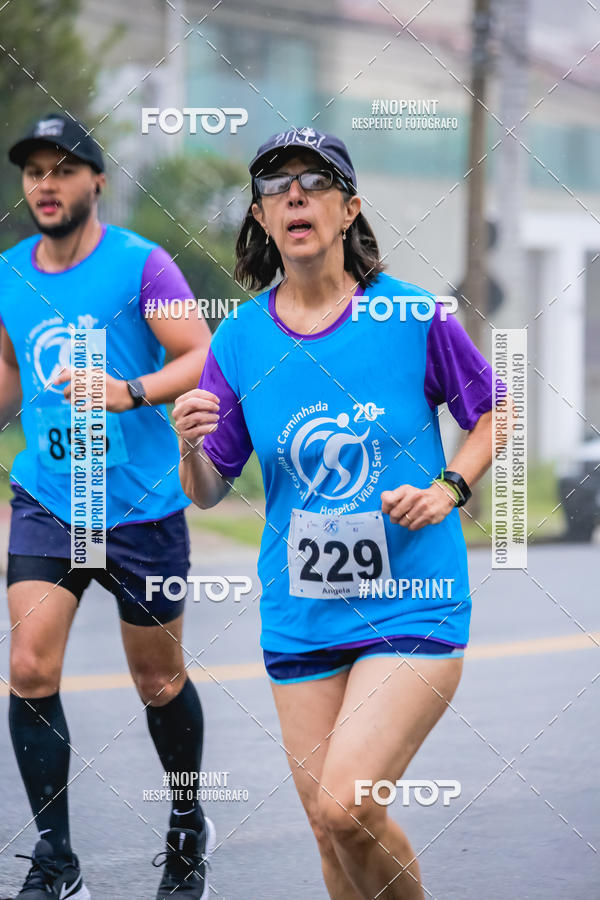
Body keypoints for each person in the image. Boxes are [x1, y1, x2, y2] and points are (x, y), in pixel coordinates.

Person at [174, 126, 505, 899]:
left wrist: (449, 488)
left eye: (315, 181)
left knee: (348, 804)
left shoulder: (413, 316)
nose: (294, 194)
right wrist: (189, 446)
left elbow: (495, 411)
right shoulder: (241, 338)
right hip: (302, 613)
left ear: (349, 209)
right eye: (275, 185)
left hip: (414, 601)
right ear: (260, 218)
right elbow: (209, 488)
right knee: (328, 831)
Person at [0, 113, 215, 899]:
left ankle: (189, 823)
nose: (45, 185)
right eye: (33, 172)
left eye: (62, 170)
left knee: (157, 681)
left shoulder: (141, 266)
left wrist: (129, 392)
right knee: (28, 667)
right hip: (50, 499)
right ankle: (56, 862)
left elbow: (201, 355)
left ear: (96, 181)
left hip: (141, 508)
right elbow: (11, 378)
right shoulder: (5, 273)